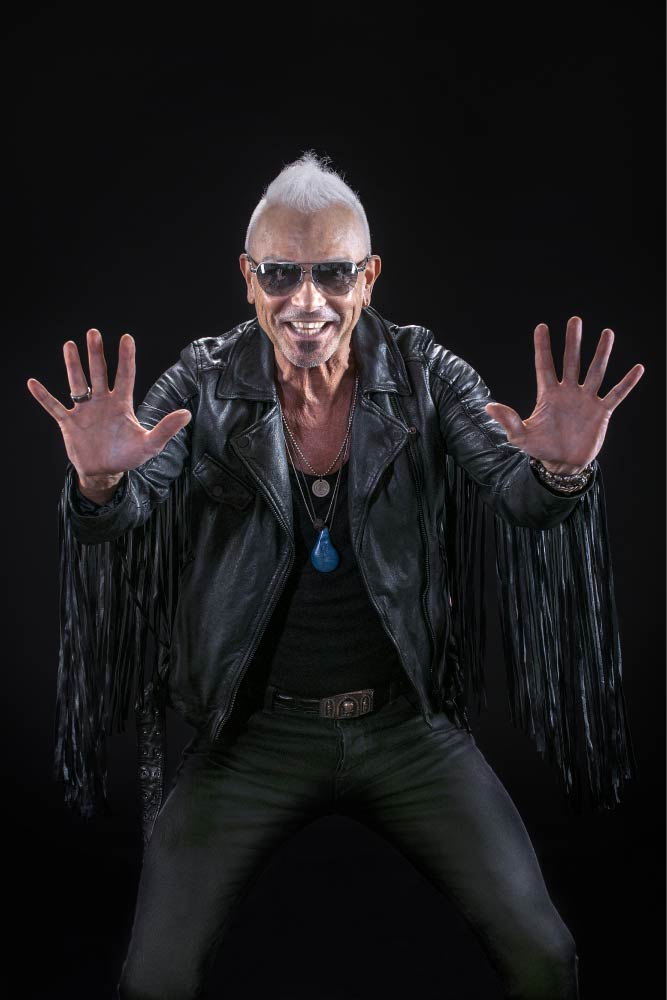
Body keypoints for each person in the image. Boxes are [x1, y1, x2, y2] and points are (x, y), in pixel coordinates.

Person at [27, 152, 643, 999]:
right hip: (252, 738)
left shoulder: (426, 373)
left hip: (406, 731)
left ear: (369, 276)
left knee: (544, 956)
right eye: (280, 273)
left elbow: (519, 498)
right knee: (154, 979)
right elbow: (130, 506)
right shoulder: (203, 380)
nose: (306, 300)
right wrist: (98, 485)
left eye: (333, 273)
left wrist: (561, 473)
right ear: (248, 277)